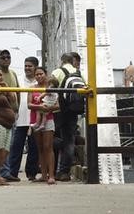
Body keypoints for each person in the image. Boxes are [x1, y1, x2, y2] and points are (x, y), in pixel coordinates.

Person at [1, 56, 39, 182]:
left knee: (34, 148)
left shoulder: (38, 83)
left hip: (35, 120)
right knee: (16, 147)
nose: (27, 68)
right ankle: (12, 173)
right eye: (26, 65)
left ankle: (31, 173)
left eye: (30, 66)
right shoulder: (19, 80)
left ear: (35, 67)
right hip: (20, 119)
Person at [51, 53, 81, 181]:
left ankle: (52, 170)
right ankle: (64, 172)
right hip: (73, 110)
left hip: (58, 110)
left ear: (62, 61)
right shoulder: (78, 72)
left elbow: (49, 88)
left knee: (53, 139)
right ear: (72, 61)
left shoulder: (57, 71)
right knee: (69, 140)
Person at [29, 68, 59, 185]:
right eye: (37, 74)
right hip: (34, 119)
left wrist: (48, 108)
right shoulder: (32, 88)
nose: (39, 76)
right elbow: (29, 104)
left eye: (41, 74)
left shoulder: (51, 87)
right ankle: (43, 174)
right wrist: (40, 107)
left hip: (49, 119)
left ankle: (51, 175)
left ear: (45, 75)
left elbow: (58, 105)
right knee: (40, 148)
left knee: (48, 147)